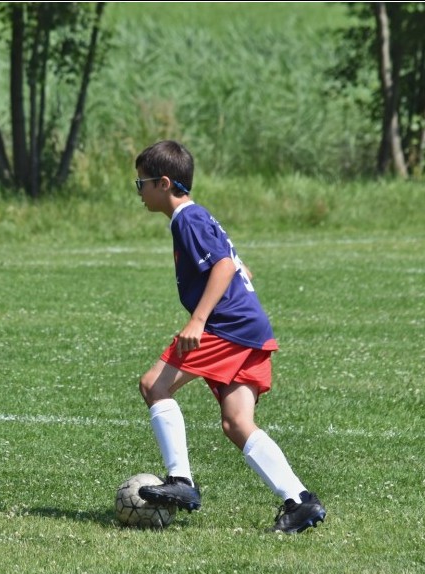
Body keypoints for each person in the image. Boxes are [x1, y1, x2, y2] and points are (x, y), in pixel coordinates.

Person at [132, 140, 325, 533]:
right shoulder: (200, 218)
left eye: (142, 184)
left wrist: (199, 320)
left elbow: (223, 265)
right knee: (237, 422)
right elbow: (242, 270)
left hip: (226, 327)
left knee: (154, 385)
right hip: (250, 328)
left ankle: (181, 481)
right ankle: (299, 500)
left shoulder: (187, 218)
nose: (140, 192)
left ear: (164, 183)